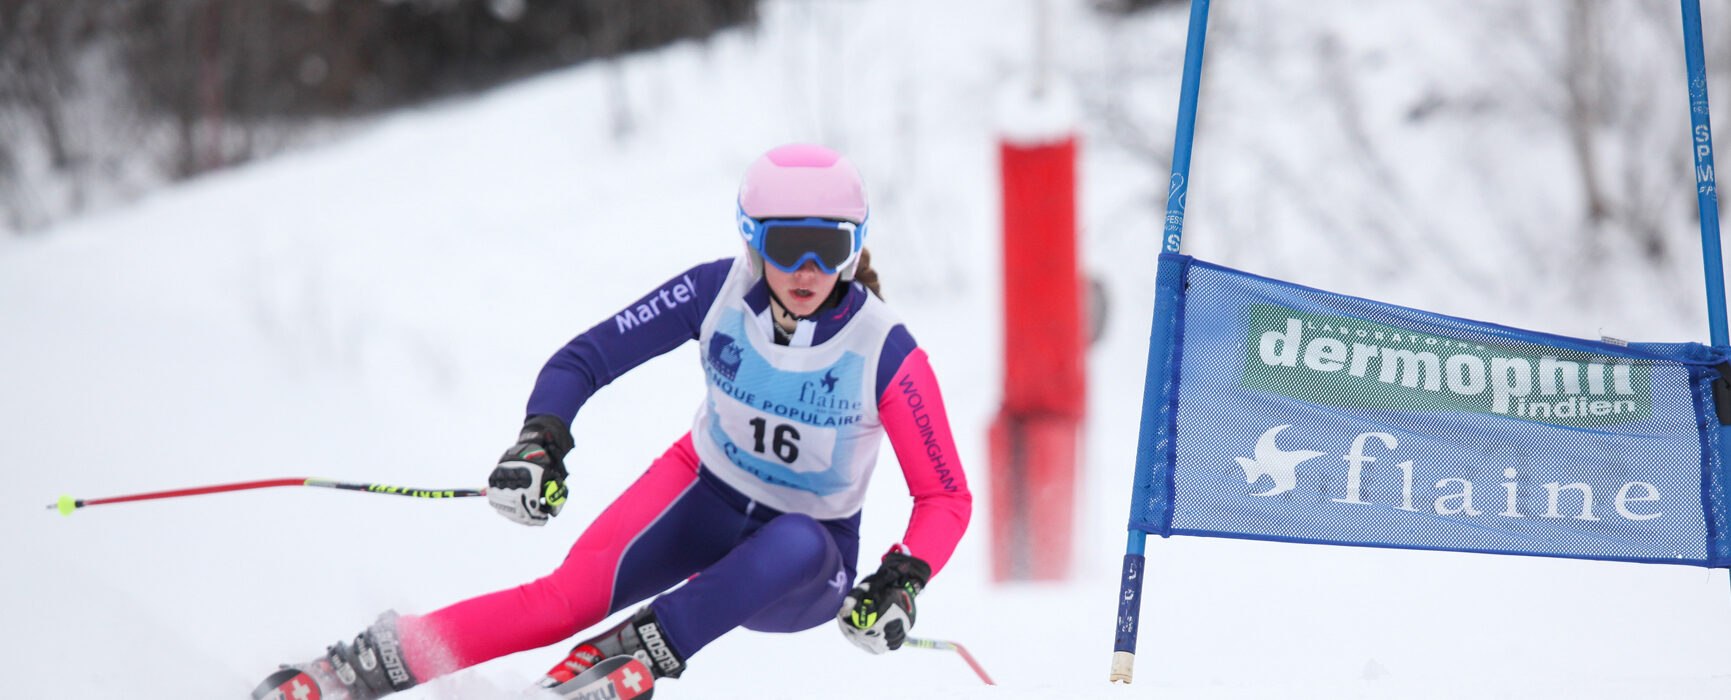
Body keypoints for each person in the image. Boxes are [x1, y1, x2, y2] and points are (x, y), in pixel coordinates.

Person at [254, 143, 973, 699]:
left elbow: (944, 495)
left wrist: (902, 577)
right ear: (752, 239)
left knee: (792, 539)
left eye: (832, 246)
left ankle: (620, 660)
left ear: (855, 247)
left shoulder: (884, 349)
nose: (809, 269)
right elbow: (583, 359)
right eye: (788, 247)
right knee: (563, 599)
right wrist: (542, 439)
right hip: (701, 494)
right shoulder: (711, 294)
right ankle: (360, 666)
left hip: (804, 569)